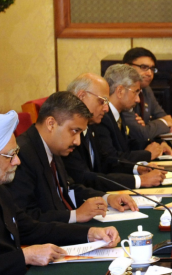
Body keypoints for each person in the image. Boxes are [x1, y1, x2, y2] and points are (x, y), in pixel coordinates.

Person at [0, 110, 121, 274]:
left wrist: (90, 234)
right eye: (10, 155)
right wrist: (24, 256)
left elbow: (31, 228)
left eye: (16, 153)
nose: (17, 161)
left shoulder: (3, 191)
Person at [10, 92, 137, 223]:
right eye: (75, 131)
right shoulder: (21, 155)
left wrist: (106, 198)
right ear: (51, 124)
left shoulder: (53, 145)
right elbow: (26, 219)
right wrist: (75, 215)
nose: (78, 141)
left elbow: (68, 189)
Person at [64, 73, 166, 191]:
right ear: (81, 96)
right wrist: (140, 181)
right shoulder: (67, 134)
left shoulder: (91, 125)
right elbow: (84, 178)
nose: (106, 108)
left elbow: (106, 162)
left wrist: (136, 168)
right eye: (102, 101)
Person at [96, 64, 172, 163]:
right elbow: (110, 158)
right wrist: (147, 154)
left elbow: (128, 144)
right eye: (136, 92)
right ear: (120, 91)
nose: (138, 100)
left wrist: (157, 144)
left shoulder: (119, 113)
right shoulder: (102, 117)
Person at [121, 47, 172, 141]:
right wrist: (162, 123)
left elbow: (165, 117)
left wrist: (159, 141)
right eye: (144, 67)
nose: (149, 73)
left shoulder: (146, 90)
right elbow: (142, 133)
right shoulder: (122, 93)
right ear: (127, 67)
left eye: (152, 69)